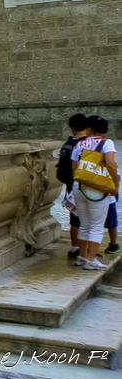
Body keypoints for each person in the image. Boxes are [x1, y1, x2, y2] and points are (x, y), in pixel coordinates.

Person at [70, 115, 119, 271]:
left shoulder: (79, 143)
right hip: (97, 189)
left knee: (84, 224)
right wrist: (115, 185)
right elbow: (110, 163)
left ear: (89, 129)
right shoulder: (107, 143)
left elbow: (74, 167)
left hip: (79, 187)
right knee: (97, 227)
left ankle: (82, 257)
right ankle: (91, 260)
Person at [57, 113, 91, 259]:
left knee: (75, 219)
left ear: (72, 128)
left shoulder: (68, 145)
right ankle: (87, 251)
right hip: (91, 187)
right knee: (90, 220)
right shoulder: (92, 144)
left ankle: (75, 247)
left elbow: (61, 173)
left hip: (73, 187)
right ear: (88, 127)